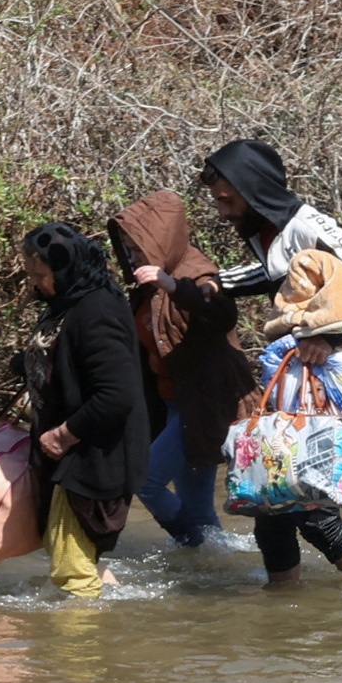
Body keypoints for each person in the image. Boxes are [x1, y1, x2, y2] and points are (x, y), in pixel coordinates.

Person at [108, 192, 252, 547]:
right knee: (200, 510)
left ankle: (194, 546)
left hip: (205, 406)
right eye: (127, 247)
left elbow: (222, 313)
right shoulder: (147, 286)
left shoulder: (196, 273)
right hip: (175, 405)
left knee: (146, 481)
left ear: (158, 240)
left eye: (137, 246)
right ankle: (213, 572)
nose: (131, 255)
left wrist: (173, 287)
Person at [17, 222, 150, 597]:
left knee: (72, 572)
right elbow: (65, 360)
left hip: (95, 454)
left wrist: (63, 434)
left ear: (64, 269)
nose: (35, 283)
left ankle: (78, 652)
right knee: (70, 552)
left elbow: (116, 394)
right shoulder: (68, 303)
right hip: (72, 453)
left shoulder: (96, 310)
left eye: (40, 274)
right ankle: (116, 625)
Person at [235, 258, 342, 587]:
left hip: (313, 431)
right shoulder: (297, 335)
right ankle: (283, 596)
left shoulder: (327, 333)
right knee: (271, 518)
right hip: (292, 431)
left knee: (318, 519)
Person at [197, 139, 342, 360]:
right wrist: (220, 283)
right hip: (309, 360)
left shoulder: (307, 225)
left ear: (254, 190)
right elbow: (281, 273)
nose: (223, 211)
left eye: (228, 200)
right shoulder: (265, 230)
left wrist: (329, 338)